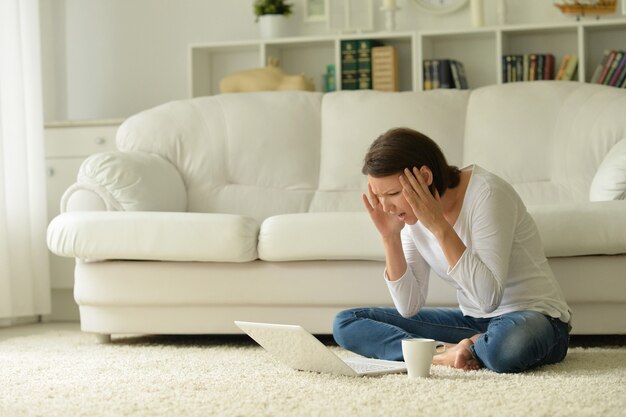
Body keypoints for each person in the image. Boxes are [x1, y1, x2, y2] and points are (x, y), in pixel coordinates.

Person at [333, 127, 572, 373]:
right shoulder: (409, 218)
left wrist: (439, 225)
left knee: (507, 348)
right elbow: (409, 306)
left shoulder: (487, 193)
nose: (386, 207)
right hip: (473, 323)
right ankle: (445, 352)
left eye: (392, 194)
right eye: (380, 196)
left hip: (535, 319)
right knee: (347, 322)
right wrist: (390, 237)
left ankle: (459, 349)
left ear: (425, 177)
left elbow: (488, 299)